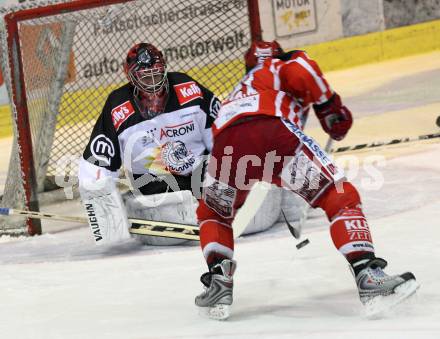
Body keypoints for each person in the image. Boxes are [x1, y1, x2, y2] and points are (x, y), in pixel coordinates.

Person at [194, 41, 419, 320]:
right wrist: (330, 108)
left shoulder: (240, 88)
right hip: (272, 133)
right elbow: (302, 73)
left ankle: (218, 280)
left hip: (226, 144)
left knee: (214, 213)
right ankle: (367, 273)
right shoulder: (282, 63)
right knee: (337, 194)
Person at [78, 42, 221, 245]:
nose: (153, 82)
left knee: (223, 183)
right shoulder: (118, 107)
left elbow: (220, 132)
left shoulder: (188, 88)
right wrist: (103, 210)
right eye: (145, 76)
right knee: (171, 200)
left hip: (196, 166)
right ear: (130, 76)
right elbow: (98, 161)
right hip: (153, 177)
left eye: (156, 73)